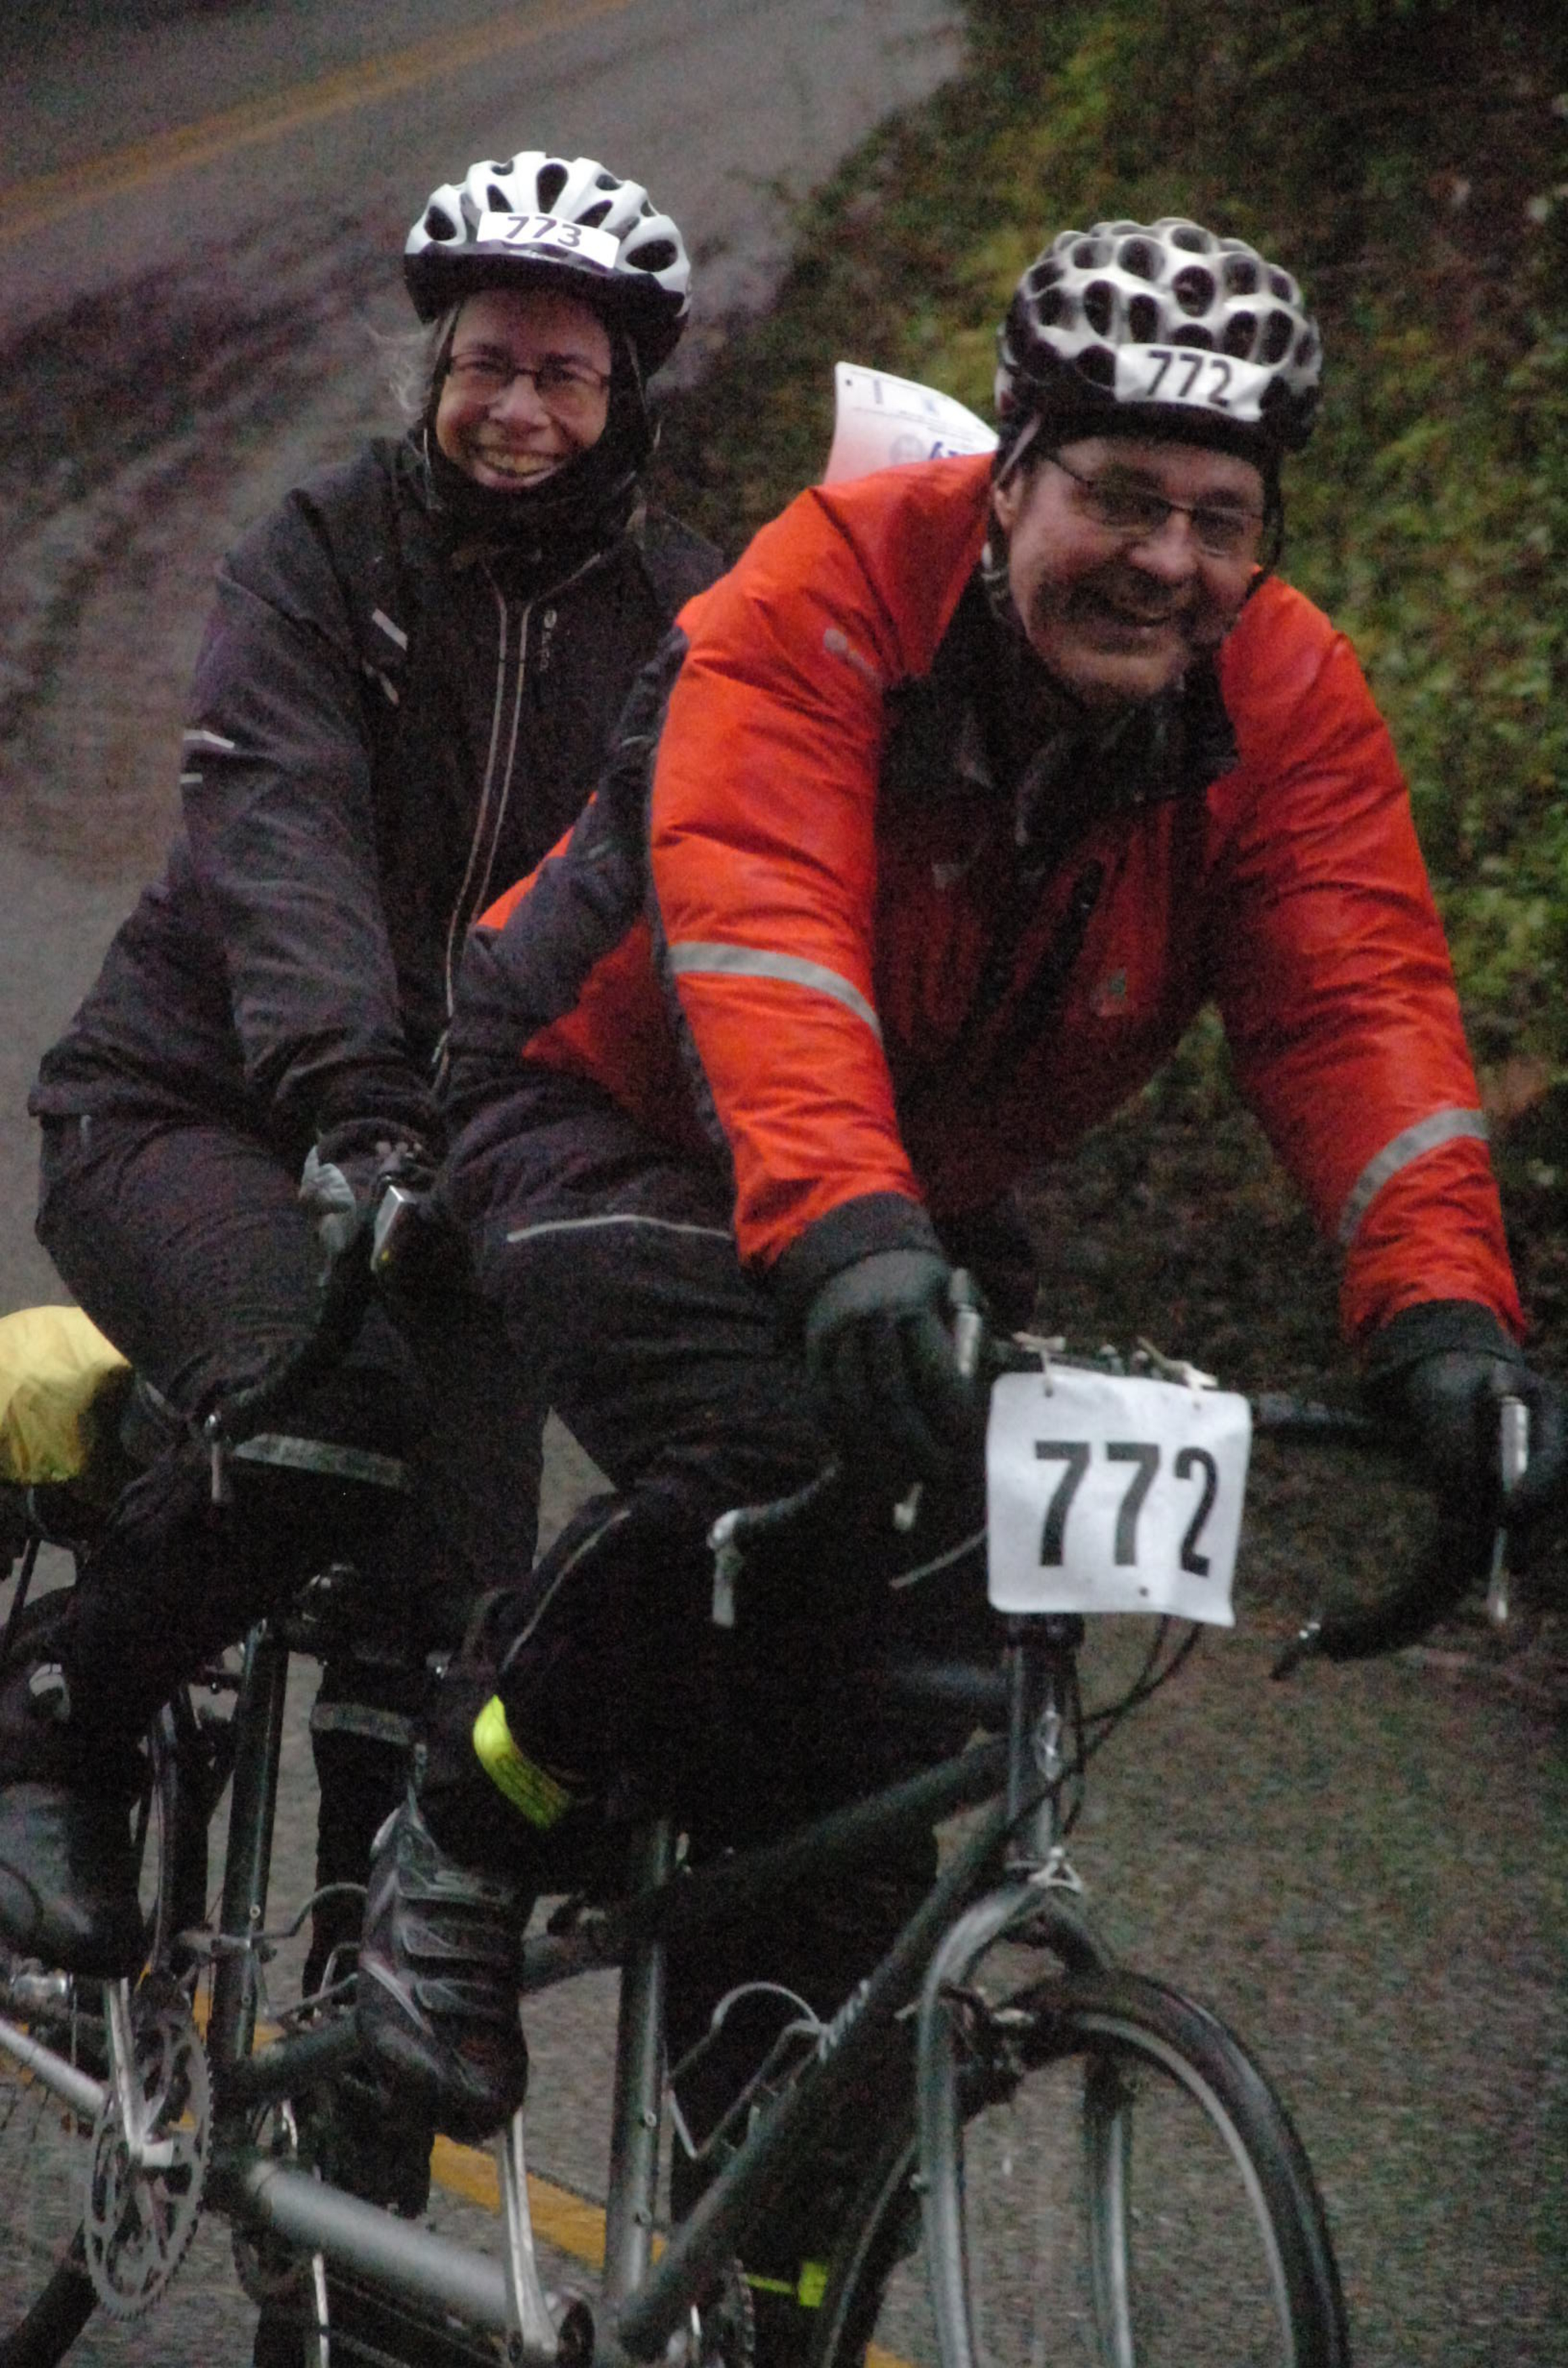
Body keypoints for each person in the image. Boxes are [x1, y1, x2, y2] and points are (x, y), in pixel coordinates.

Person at [351, 210, 1565, 2346]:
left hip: (903, 1180)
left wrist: (1445, 1327)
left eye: (1221, 520)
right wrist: (849, 1238)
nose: (1167, 561)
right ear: (1009, 480)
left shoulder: (1280, 694)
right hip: (603, 1102)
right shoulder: (820, 596)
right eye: (1118, 497)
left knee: (894, 1693)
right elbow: (762, 930)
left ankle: (783, 2252)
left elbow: (1356, 1010)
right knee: (785, 1452)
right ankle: (465, 1828)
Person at [5, 141, 718, 2088]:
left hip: (471, 1170)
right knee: (331, 1419)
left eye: (563, 374)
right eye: (486, 364)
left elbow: (720, 910)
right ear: (434, 371)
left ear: (626, 396)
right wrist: (357, 1106)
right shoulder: (320, 553)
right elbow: (280, 842)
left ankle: (348, 2109)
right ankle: (55, 1716)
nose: (517, 408)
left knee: (452, 1655)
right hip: (195, 1112)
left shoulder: (691, 618)